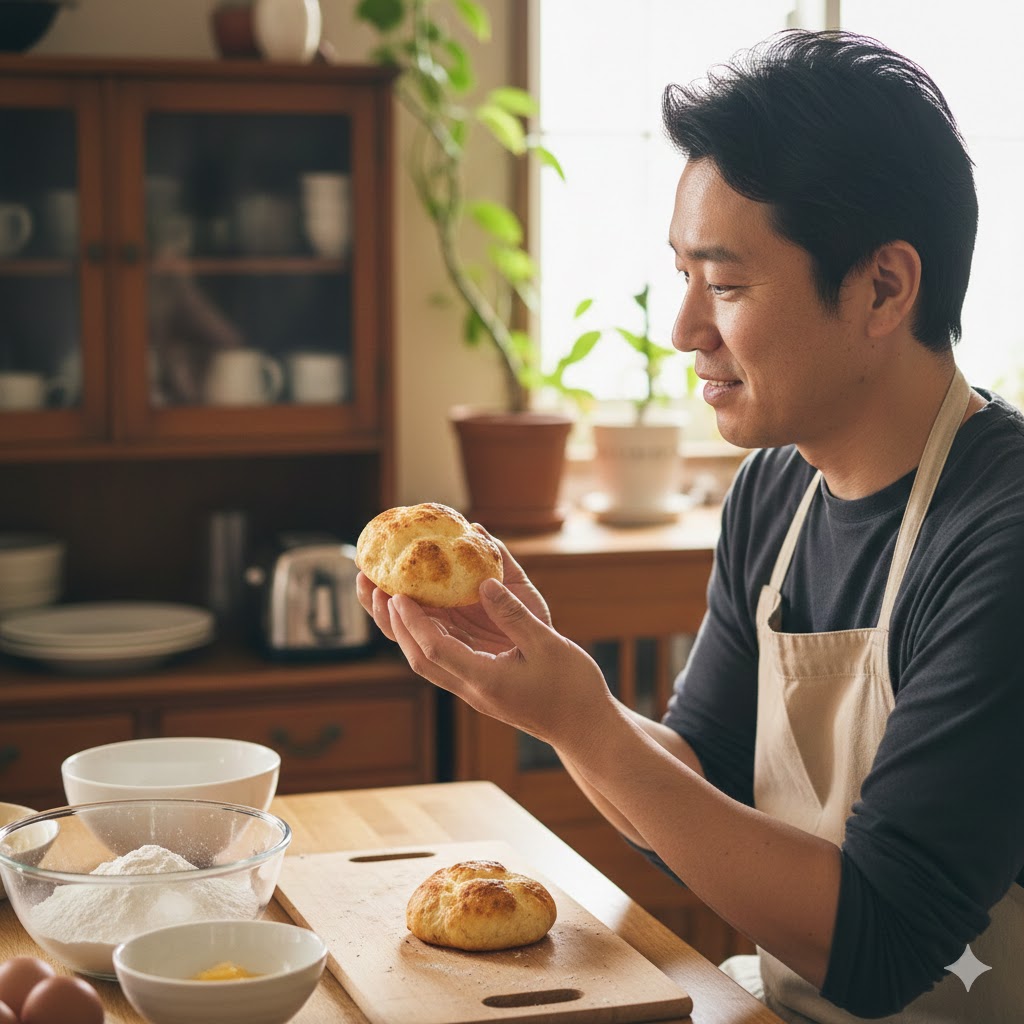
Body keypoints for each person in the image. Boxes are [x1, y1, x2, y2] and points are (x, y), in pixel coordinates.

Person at [356, 29, 1024, 1024]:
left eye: (725, 283)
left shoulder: (1001, 533)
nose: (683, 330)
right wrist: (546, 683)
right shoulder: (772, 493)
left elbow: (888, 946)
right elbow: (694, 792)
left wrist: (583, 719)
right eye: (682, 275)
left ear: (883, 286)